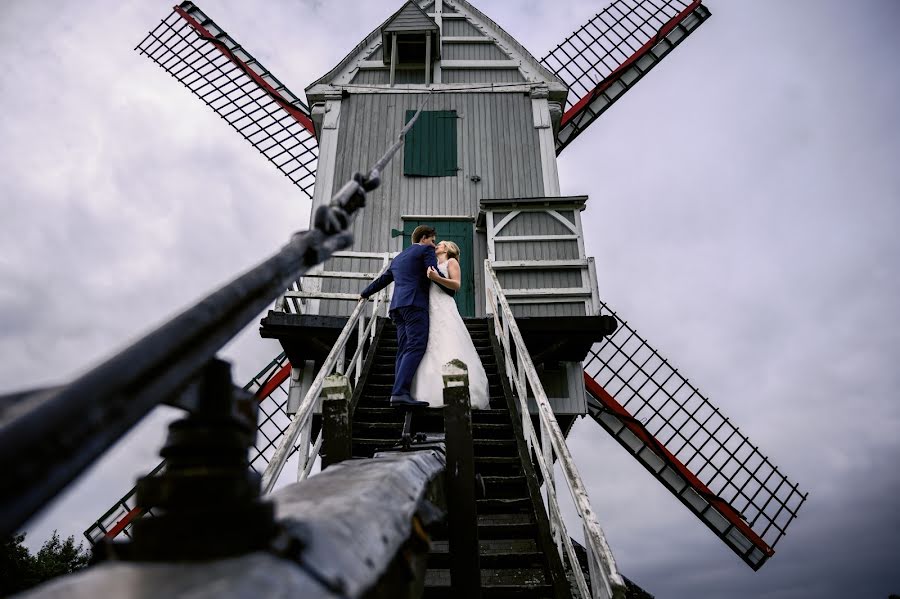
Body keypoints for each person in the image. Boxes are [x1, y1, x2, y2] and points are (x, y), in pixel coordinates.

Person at [359, 225, 437, 408]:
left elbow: (382, 280)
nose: (434, 245)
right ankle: (401, 392)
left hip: (397, 307)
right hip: (415, 304)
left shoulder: (398, 258)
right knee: (416, 345)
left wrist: (364, 293)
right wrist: (447, 281)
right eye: (433, 241)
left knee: (403, 349)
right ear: (424, 238)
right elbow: (432, 272)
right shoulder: (426, 250)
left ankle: (398, 393)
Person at [411, 240, 490, 409]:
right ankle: (427, 392)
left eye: (439, 244)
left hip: (444, 305)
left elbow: (456, 285)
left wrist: (436, 278)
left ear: (447, 248)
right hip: (429, 307)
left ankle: (457, 386)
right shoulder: (432, 264)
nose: (436, 246)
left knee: (448, 341)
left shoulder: (451, 262)